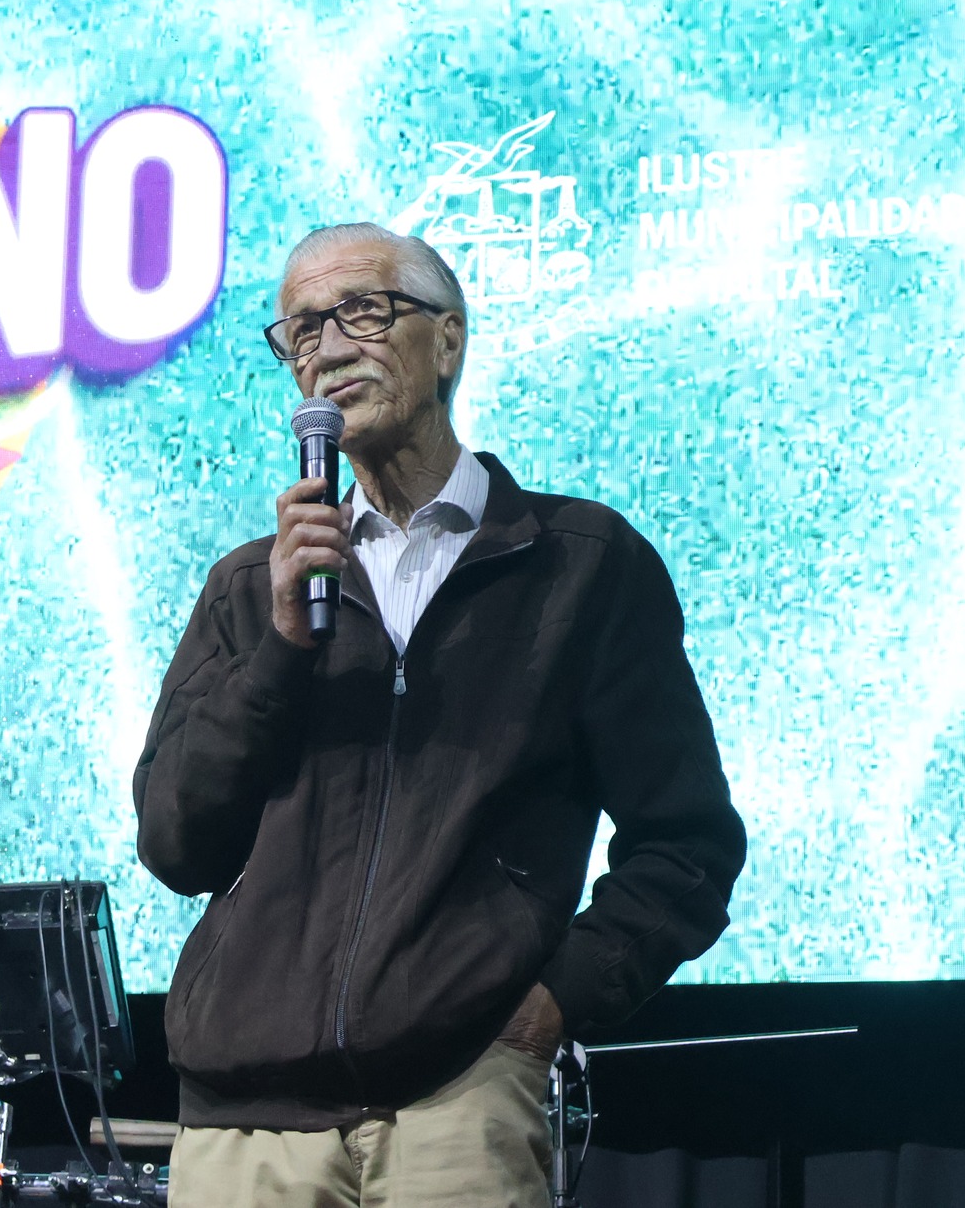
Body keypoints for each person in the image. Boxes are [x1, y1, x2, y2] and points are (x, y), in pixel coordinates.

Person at [132, 223, 748, 1206]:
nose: (327, 348)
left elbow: (685, 845)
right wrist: (282, 652)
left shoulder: (577, 564)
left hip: (456, 1102)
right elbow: (175, 843)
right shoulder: (250, 589)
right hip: (241, 1120)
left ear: (446, 339)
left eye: (361, 312)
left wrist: (546, 1012)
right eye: (298, 331)